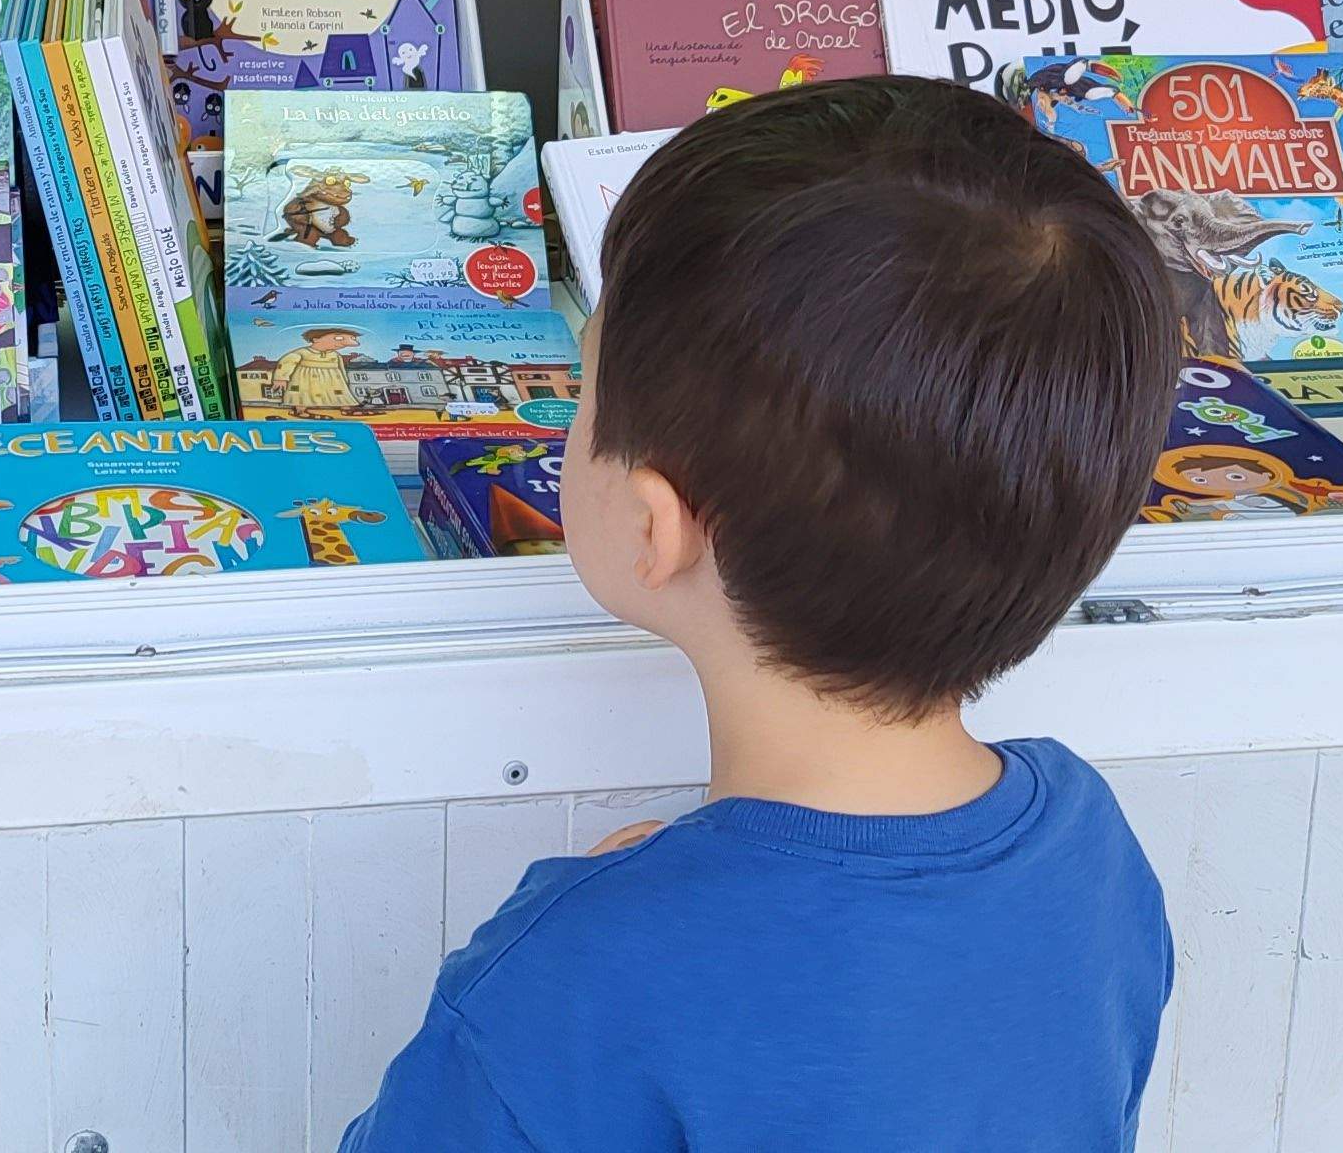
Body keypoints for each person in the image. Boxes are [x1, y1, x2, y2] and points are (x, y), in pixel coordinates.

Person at [342, 76, 1187, 1150]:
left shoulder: (562, 985)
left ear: (659, 526)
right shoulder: (1090, 850)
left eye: (582, 393)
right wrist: (674, 908)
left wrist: (615, 932)